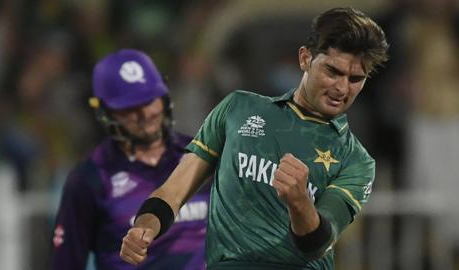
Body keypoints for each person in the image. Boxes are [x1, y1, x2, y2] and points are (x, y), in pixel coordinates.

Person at [120, 7, 389, 270]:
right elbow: (174, 190)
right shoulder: (237, 109)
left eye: (356, 79)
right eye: (333, 71)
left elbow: (318, 244)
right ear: (305, 58)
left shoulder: (356, 160)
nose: (342, 88)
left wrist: (300, 203)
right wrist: (145, 226)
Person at [52, 49, 209, 270]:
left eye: (150, 100)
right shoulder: (90, 179)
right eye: (130, 108)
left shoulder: (200, 156)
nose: (146, 114)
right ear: (106, 112)